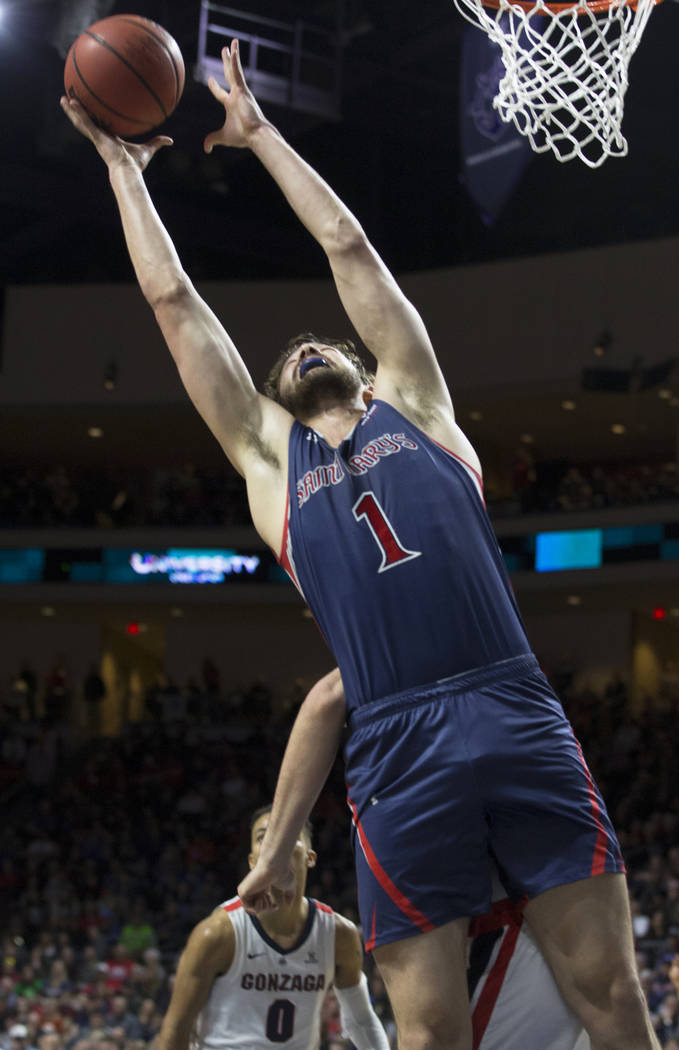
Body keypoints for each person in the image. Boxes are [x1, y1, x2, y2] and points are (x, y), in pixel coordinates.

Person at [60, 38, 658, 1050]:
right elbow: (175, 309)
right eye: (287, 354)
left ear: (366, 369)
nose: (303, 345)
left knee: (609, 994)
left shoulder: (419, 407)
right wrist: (124, 174)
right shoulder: (266, 461)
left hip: (511, 702)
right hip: (393, 741)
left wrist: (260, 136)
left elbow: (349, 251)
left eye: (323, 342)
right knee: (428, 1032)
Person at [154, 805, 389, 1050]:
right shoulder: (218, 933)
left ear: (310, 856)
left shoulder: (339, 935)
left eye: (290, 833)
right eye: (263, 836)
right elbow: (176, 1028)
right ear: (253, 860)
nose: (275, 843)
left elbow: (361, 1021)